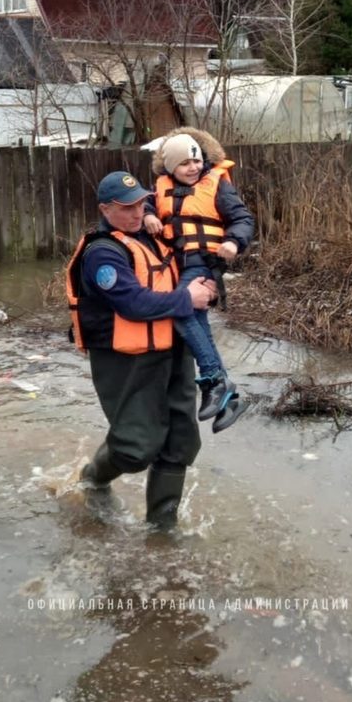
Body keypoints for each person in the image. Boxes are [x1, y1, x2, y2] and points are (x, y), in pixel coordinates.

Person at [64, 170, 218, 528]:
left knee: (180, 443)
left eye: (141, 205)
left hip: (174, 352)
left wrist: (207, 286)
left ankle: (162, 532)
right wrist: (186, 298)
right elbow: (132, 303)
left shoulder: (154, 236)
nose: (137, 213)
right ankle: (93, 479)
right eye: (126, 207)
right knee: (136, 447)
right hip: (127, 360)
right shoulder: (102, 254)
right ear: (105, 210)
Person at [143, 129, 255, 433]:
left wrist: (234, 242)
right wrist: (148, 214)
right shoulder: (161, 187)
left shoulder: (216, 184)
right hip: (177, 266)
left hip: (204, 263)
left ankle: (212, 381)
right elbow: (148, 204)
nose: (192, 167)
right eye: (184, 164)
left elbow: (244, 219)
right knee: (198, 325)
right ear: (169, 169)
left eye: (195, 160)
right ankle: (229, 398)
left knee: (181, 309)